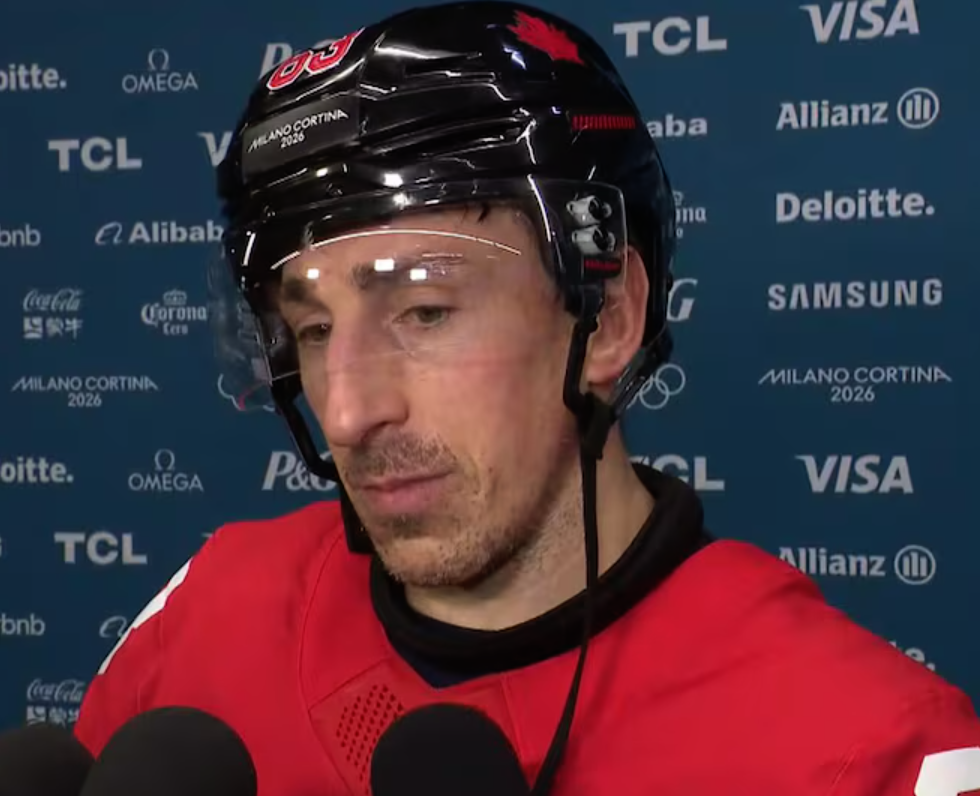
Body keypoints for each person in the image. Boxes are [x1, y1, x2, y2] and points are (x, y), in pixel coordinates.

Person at [75, 2, 980, 794]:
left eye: (425, 313)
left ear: (607, 318)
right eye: (314, 331)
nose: (347, 414)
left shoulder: (869, 752)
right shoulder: (208, 617)